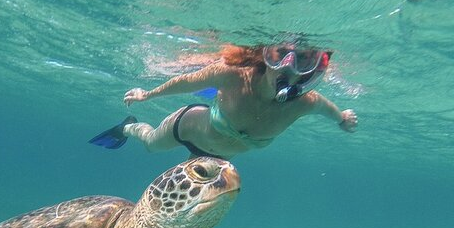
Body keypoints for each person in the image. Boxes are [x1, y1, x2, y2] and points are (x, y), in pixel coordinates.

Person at [89, 42, 358, 159]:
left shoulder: (306, 102)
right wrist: (146, 95)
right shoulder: (233, 76)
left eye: (304, 60)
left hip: (221, 155)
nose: (289, 67)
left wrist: (343, 119)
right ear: (267, 57)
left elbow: (331, 111)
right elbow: (184, 82)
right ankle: (126, 127)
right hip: (187, 128)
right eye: (282, 56)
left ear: (313, 69)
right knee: (151, 145)